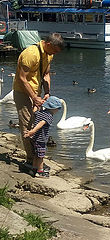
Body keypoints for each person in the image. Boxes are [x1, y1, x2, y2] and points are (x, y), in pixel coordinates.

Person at [13, 33, 64, 168]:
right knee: (27, 123)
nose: (55, 54)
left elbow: (46, 74)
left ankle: (36, 158)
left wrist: (47, 92)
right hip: (22, 92)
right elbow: (22, 78)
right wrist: (34, 97)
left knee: (37, 122)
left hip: (36, 92)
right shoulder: (31, 54)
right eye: (54, 51)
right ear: (48, 44)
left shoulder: (48, 54)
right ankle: (31, 160)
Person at [23, 96, 62, 178]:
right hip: (41, 139)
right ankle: (40, 171)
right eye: (58, 109)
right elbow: (41, 123)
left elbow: (34, 112)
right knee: (41, 156)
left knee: (36, 155)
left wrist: (36, 106)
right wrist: (33, 131)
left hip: (35, 138)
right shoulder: (49, 116)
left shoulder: (40, 112)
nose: (57, 111)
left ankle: (33, 169)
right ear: (53, 108)